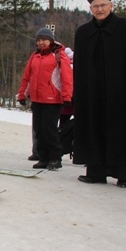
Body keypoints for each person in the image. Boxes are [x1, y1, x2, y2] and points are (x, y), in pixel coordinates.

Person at [74, 0, 126, 188]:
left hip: (122, 92)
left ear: (111, 6)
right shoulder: (84, 33)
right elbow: (79, 68)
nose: (99, 9)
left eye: (103, 5)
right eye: (95, 6)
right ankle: (96, 172)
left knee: (120, 131)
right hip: (93, 93)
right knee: (94, 129)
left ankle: (122, 174)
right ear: (90, 9)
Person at [17, 28, 73, 170]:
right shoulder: (35, 56)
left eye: (44, 40)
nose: (41, 43)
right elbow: (27, 76)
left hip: (52, 100)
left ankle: (55, 157)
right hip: (37, 99)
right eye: (39, 40)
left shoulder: (59, 55)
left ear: (51, 40)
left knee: (50, 130)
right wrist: (22, 94)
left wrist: (67, 96)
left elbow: (67, 77)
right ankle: (42, 157)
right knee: (39, 130)